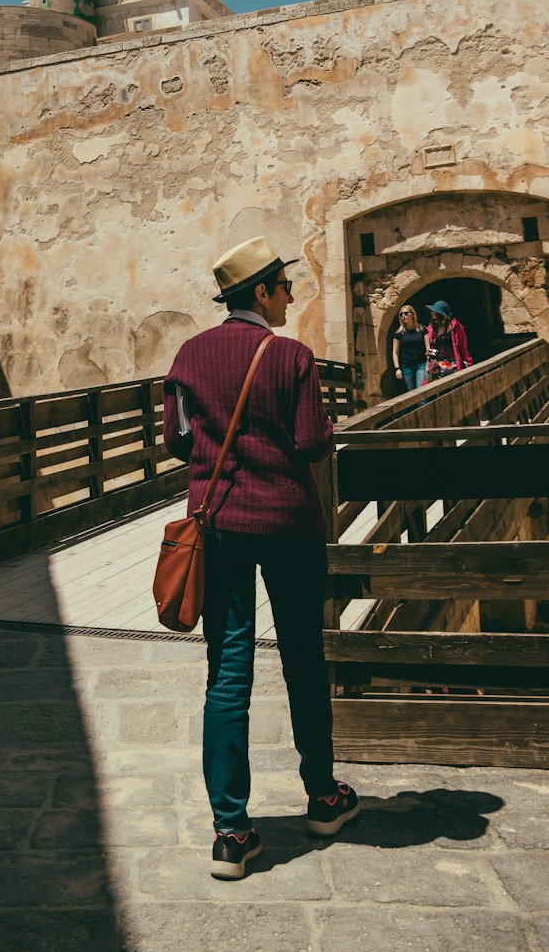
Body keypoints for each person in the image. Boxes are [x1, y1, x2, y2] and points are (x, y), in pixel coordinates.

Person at [163, 235, 360, 881]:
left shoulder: (190, 354)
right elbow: (310, 442)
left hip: (217, 522)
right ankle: (323, 798)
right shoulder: (292, 356)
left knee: (228, 669)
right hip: (288, 524)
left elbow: (176, 440)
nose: (292, 295)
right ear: (263, 293)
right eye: (285, 286)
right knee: (304, 658)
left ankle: (231, 831)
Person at [424, 298, 472, 380]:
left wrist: (469, 363)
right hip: (436, 365)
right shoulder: (432, 329)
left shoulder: (456, 328)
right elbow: (429, 346)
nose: (433, 315)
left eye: (435, 313)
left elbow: (463, 347)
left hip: (452, 364)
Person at [392, 304, 428, 392]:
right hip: (407, 366)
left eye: (406, 313)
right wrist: (397, 369)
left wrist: (428, 364)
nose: (403, 316)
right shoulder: (399, 333)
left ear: (413, 314)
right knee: (411, 394)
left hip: (421, 364)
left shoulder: (422, 330)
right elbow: (395, 352)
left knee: (421, 392)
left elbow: (428, 348)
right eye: (401, 314)